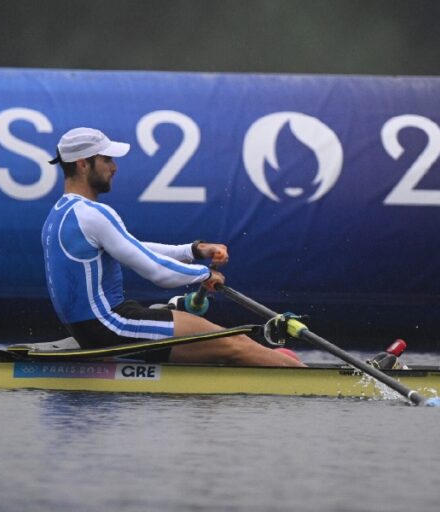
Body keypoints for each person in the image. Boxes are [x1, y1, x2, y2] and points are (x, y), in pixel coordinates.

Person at [43, 127, 304, 367]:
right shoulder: (92, 214)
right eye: (107, 159)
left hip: (92, 329)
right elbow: (157, 272)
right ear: (83, 163)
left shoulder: (60, 214)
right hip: (112, 326)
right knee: (235, 343)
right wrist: (204, 274)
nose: (114, 167)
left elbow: (135, 248)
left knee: (216, 342)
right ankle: (305, 379)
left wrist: (193, 251)